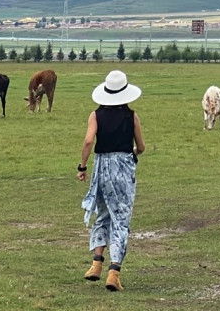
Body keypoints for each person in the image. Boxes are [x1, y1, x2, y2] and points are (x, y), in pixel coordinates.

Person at [77, 69, 145, 292]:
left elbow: (88, 141)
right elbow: (141, 146)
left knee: (103, 214)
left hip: (102, 167)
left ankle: (96, 264)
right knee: (121, 219)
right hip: (123, 168)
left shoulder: (95, 115)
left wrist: (82, 166)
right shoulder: (131, 116)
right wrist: (132, 151)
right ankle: (114, 272)